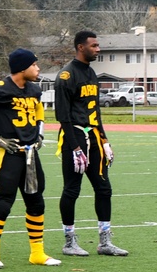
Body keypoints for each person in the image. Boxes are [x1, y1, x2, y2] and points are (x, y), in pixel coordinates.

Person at [0, 49, 61, 269]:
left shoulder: (34, 89)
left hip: (30, 154)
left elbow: (39, 113)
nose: (38, 69)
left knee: (36, 203)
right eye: (34, 65)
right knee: (3, 204)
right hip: (9, 154)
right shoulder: (1, 89)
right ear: (23, 67)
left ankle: (37, 253)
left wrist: (40, 134)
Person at [54, 30, 128, 257]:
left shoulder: (91, 73)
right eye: (94, 45)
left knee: (104, 188)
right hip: (74, 137)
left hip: (94, 137)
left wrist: (104, 140)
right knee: (72, 189)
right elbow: (62, 116)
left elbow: (95, 111)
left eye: (98, 45)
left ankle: (105, 241)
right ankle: (69, 242)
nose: (98, 49)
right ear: (80, 47)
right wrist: (75, 147)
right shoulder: (66, 76)